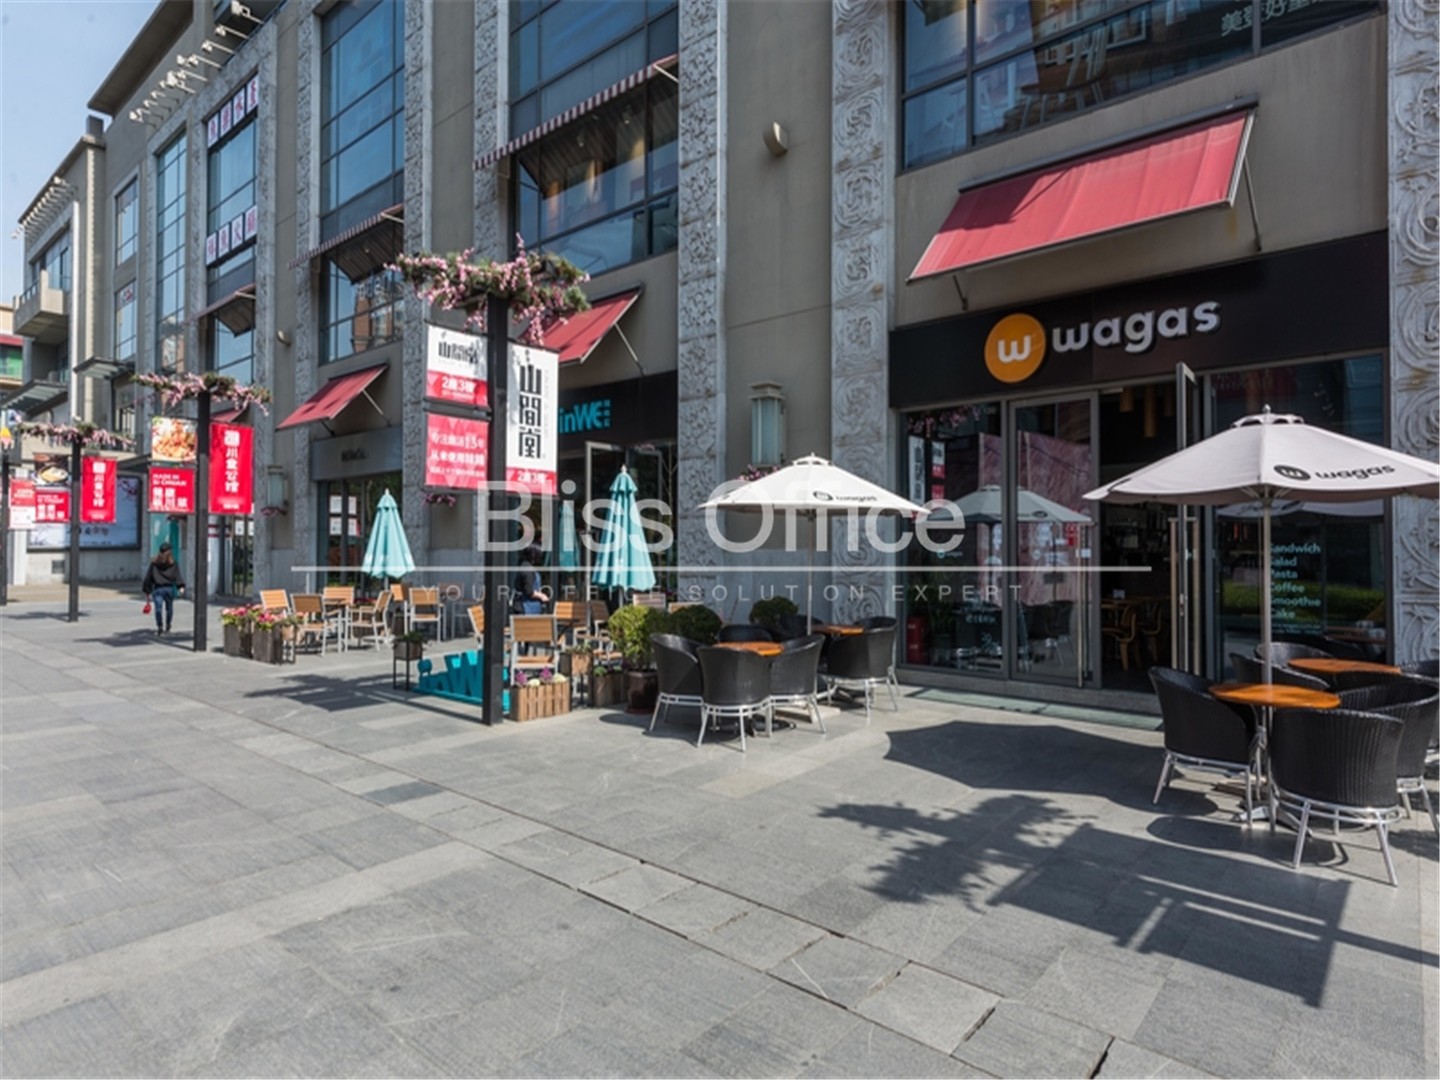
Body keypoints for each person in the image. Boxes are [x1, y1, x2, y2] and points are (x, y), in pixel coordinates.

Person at [142, 542, 185, 636]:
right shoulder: (173, 564)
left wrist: (147, 590)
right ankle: (168, 624)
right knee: (169, 609)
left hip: (158, 588)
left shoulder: (154, 564)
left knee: (158, 608)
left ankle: (160, 626)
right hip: (168, 588)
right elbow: (177, 576)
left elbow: (148, 577)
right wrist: (180, 586)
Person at [511, 543, 549, 615]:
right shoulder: (528, 570)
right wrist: (542, 596)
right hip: (525, 608)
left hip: (522, 606)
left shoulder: (524, 565)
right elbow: (529, 592)